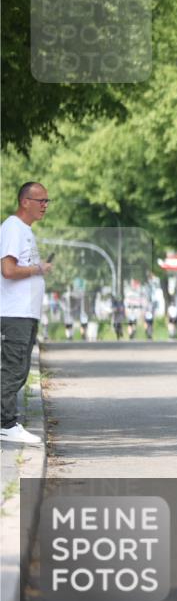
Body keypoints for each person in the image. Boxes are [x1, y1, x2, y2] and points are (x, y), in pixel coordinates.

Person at [1, 182, 52, 446]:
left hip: (25, 313)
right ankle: (5, 423)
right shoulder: (13, 228)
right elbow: (8, 270)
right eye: (41, 200)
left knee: (20, 368)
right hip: (14, 313)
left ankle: (7, 421)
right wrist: (37, 269)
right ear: (25, 202)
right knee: (12, 368)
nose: (45, 205)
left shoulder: (26, 231)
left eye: (47, 201)